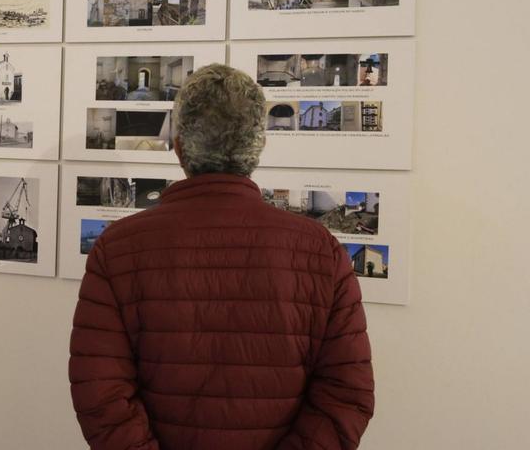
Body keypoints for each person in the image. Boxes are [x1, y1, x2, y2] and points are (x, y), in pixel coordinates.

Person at [69, 64, 374, 450]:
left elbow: (100, 394)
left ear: (179, 148)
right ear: (257, 148)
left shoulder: (117, 248)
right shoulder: (320, 250)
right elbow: (346, 395)